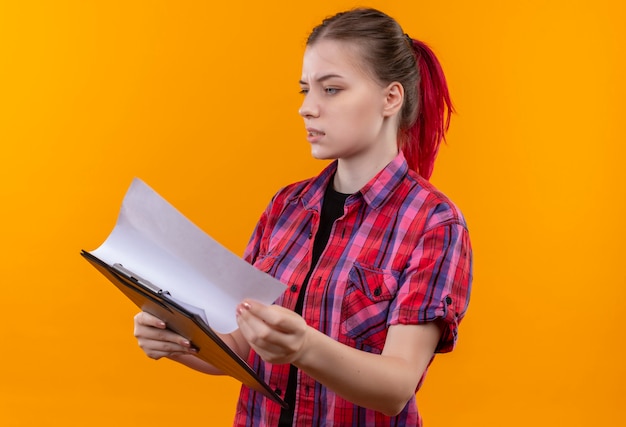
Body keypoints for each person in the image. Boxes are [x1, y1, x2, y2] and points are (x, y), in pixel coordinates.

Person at [134, 7, 472, 426]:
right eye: (304, 90)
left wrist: (305, 348)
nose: (307, 109)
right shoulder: (285, 207)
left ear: (390, 98)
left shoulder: (434, 223)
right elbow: (240, 345)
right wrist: (178, 340)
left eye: (330, 90)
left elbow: (396, 387)